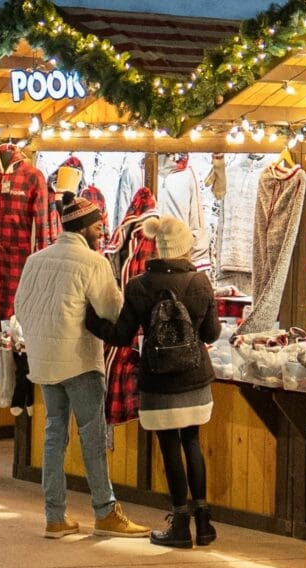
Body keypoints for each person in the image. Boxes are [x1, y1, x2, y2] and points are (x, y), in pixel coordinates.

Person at [14, 192, 151, 540]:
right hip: (79, 360)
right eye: (99, 227)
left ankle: (54, 516)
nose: (102, 232)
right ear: (85, 229)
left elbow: (20, 307)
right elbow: (111, 311)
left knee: (53, 436)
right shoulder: (93, 263)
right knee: (92, 437)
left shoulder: (35, 260)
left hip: (45, 360)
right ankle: (105, 511)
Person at [86, 215, 221, 549]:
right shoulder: (201, 282)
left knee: (169, 445)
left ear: (158, 246)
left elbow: (120, 335)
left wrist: (91, 321)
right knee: (192, 441)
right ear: (185, 247)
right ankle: (204, 523)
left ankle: (179, 523)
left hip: (159, 379)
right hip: (195, 377)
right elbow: (212, 333)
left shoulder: (140, 285)